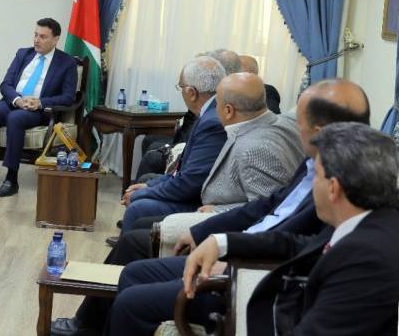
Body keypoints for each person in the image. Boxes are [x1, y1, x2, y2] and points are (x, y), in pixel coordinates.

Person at [50, 79, 370, 336]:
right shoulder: (314, 162)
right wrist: (211, 234)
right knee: (133, 272)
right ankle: (91, 327)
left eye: (298, 122)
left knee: (132, 299)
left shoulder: (340, 188)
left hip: (251, 277)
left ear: (318, 132)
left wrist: (235, 257)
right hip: (237, 249)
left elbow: (303, 249)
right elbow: (269, 204)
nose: (294, 128)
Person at [180, 122, 399, 335]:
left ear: (333, 188)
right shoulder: (371, 223)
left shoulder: (366, 259)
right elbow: (302, 245)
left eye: (316, 176)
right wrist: (222, 242)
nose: (311, 185)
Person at [0, 18, 77, 197]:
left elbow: (68, 97)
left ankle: (11, 179)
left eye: (43, 37)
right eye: (35, 35)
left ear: (55, 39)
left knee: (15, 119)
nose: (36, 40)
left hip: (37, 110)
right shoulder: (23, 54)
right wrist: (17, 100)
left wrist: (40, 102)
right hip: (13, 102)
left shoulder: (66, 63)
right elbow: (5, 84)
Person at [119, 56, 227, 232]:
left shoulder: (212, 122)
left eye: (180, 87)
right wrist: (149, 186)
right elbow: (183, 171)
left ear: (191, 92)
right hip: (194, 191)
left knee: (138, 207)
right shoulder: (210, 112)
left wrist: (144, 193)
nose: (181, 92)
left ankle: (128, 249)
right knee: (142, 192)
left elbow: (190, 183)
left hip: (203, 204)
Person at [195, 73, 304, 213]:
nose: (215, 109)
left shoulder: (253, 150)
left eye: (217, 103)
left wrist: (217, 210)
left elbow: (270, 208)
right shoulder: (289, 121)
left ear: (228, 110)